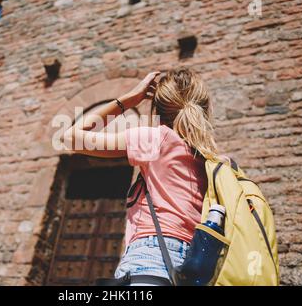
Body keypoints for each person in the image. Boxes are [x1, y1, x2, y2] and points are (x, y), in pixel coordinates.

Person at [62, 67, 227, 285]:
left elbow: (71, 137)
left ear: (158, 109)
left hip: (152, 256)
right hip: (199, 264)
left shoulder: (156, 139)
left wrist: (129, 100)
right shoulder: (215, 161)